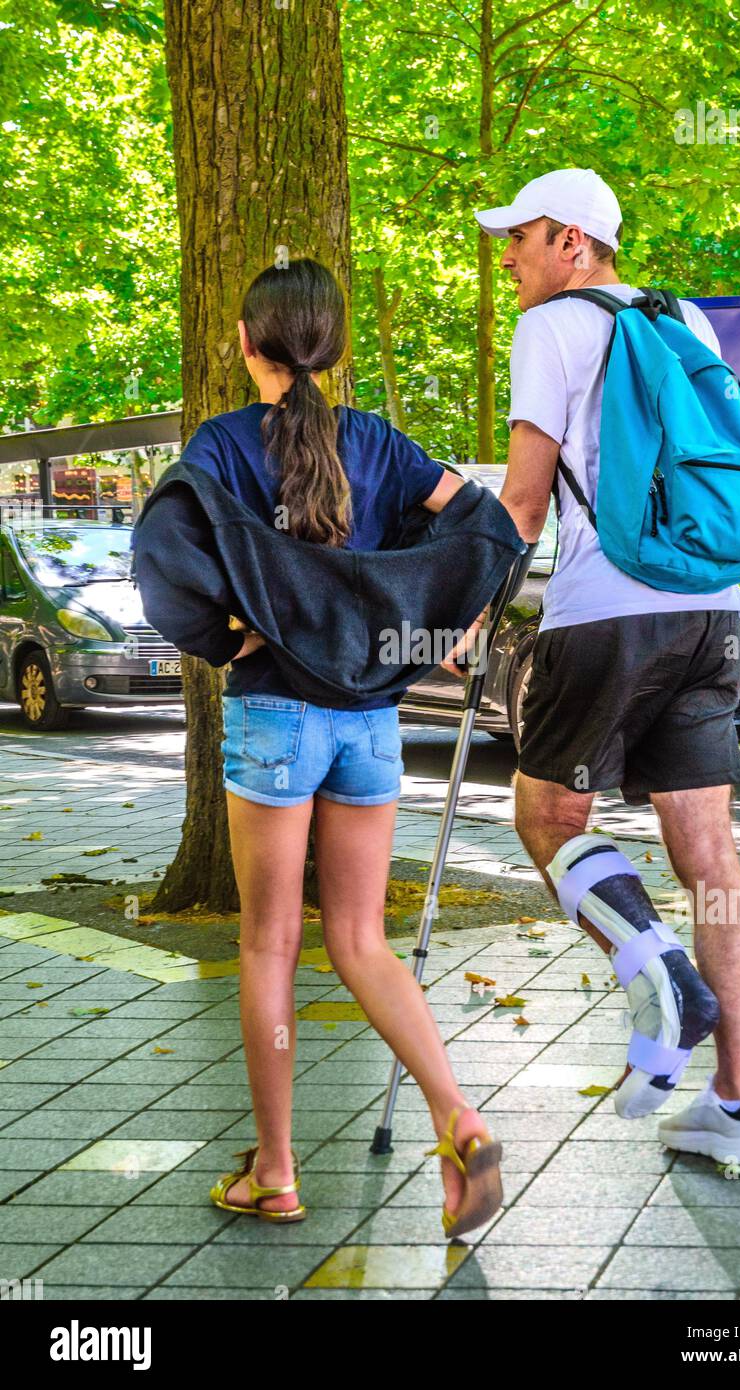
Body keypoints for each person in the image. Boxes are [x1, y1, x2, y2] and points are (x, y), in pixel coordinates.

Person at [162, 259, 504, 1234]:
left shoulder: (222, 447)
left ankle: (274, 1169)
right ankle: (458, 1115)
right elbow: (478, 523)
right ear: (337, 347)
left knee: (269, 942)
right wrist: (442, 622)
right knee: (359, 941)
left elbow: (182, 576)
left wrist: (245, 633)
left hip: (275, 719)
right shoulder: (383, 447)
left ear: (244, 343)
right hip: (367, 723)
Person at [472, 169, 740, 1165]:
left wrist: (467, 606)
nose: (506, 258)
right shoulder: (682, 316)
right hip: (711, 608)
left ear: (569, 240)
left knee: (545, 815)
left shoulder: (550, 327)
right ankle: (739, 1109)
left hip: (605, 611)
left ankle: (658, 973)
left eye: (517, 239)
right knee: (710, 857)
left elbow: (523, 503)